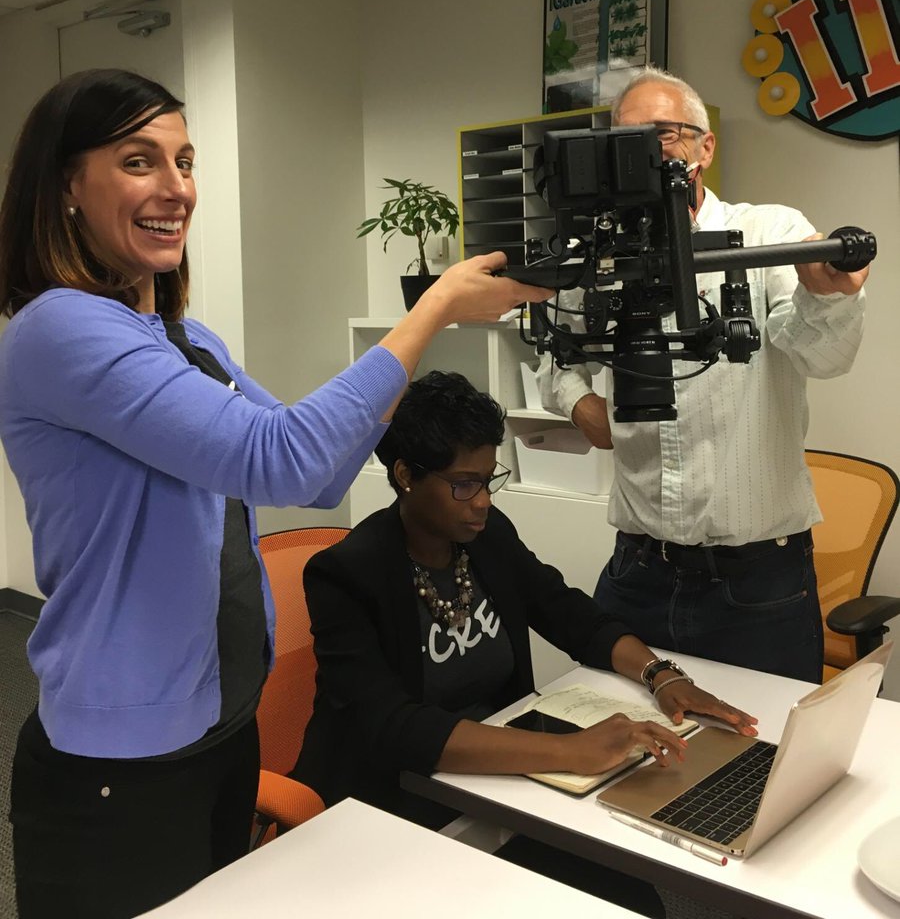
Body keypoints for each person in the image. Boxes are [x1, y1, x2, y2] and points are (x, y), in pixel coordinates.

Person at [0, 68, 553, 919]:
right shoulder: (58, 328)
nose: (176, 187)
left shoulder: (183, 339)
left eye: (185, 162)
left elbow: (322, 472)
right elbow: (286, 457)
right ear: (68, 184)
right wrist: (433, 308)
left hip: (220, 725)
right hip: (121, 759)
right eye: (140, 160)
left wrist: (414, 358)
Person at [292, 370, 756, 835]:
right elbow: (394, 727)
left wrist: (661, 676)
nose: (482, 502)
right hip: (388, 801)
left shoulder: (485, 536)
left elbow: (568, 613)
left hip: (497, 783)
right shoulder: (347, 574)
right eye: (463, 484)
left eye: (488, 480)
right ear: (406, 475)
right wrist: (572, 751)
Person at [538, 66, 869, 683]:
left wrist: (826, 296)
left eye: (662, 134)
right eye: (624, 138)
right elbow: (558, 352)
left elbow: (822, 356)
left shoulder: (769, 232)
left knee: (761, 760)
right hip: (637, 570)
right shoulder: (597, 254)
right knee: (622, 747)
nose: (640, 152)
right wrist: (581, 404)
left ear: (704, 147)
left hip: (757, 583)